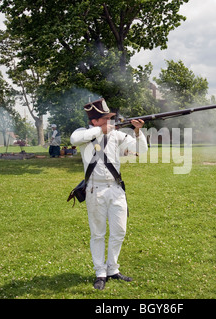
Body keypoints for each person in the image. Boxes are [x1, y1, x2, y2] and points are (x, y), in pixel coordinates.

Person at [70, 98, 148, 290]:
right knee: (97, 234)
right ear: (94, 121)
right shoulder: (83, 133)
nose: (109, 122)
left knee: (119, 231)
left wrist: (138, 131)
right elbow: (74, 140)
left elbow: (141, 150)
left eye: (109, 119)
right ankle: (100, 272)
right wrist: (101, 130)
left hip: (115, 188)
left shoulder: (117, 135)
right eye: (104, 119)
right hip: (94, 189)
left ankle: (112, 268)